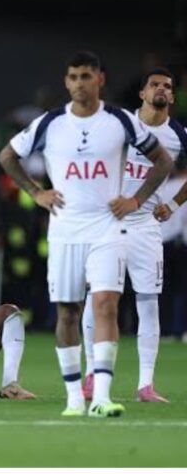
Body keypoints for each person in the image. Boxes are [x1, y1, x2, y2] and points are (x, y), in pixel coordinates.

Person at [0, 51, 172, 418]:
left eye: (87, 76)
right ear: (67, 82)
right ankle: (75, 397)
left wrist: (137, 199)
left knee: (106, 303)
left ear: (100, 80)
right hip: (65, 230)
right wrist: (35, 192)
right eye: (74, 77)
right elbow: (7, 156)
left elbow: (163, 160)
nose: (80, 83)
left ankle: (102, 396)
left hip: (107, 228)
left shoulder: (120, 120)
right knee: (68, 312)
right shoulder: (51, 123)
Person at [83, 67, 187, 403]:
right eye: (154, 84)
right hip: (108, 223)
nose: (161, 89)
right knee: (98, 297)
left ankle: (145, 385)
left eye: (167, 86)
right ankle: (90, 375)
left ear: (172, 96)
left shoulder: (178, 134)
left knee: (148, 302)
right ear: (142, 93)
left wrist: (173, 204)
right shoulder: (120, 123)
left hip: (146, 227)